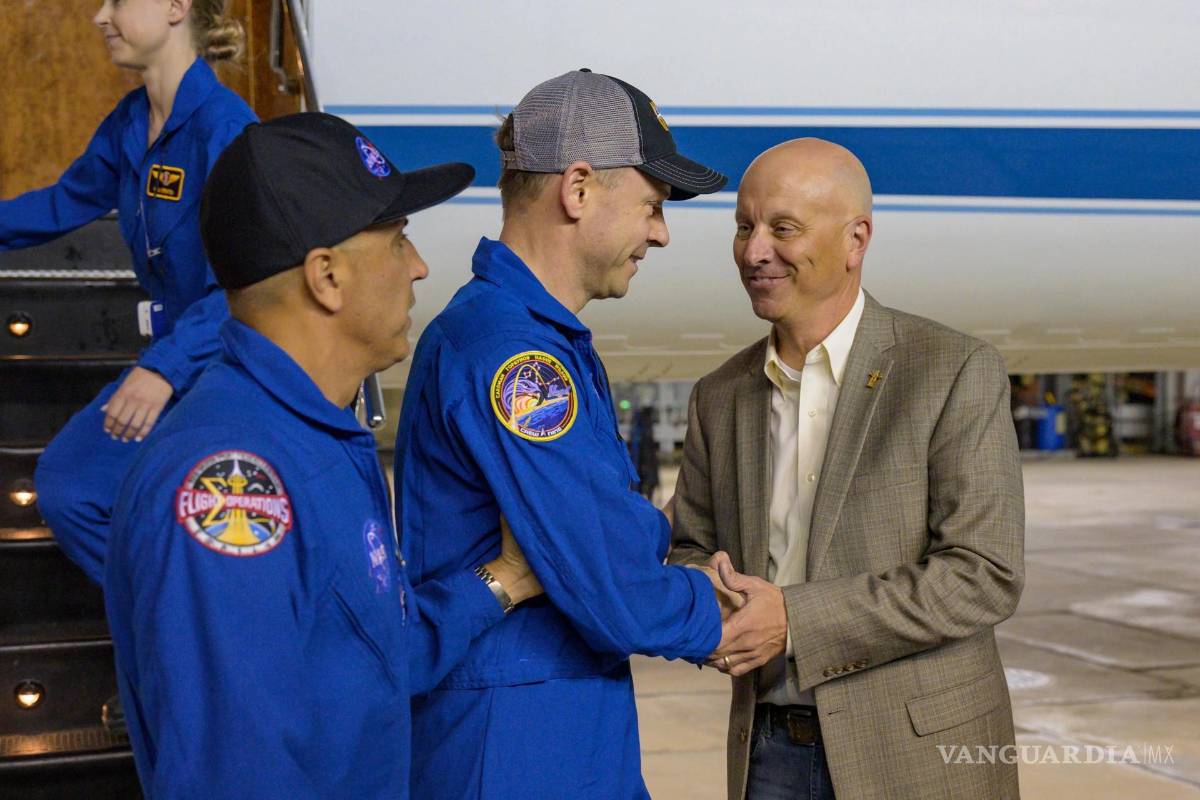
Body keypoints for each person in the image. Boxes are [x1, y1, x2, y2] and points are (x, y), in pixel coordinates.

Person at [104, 113, 543, 799]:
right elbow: (237, 776)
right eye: (398, 240)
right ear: (327, 276)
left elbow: (362, 660)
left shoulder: (312, 435)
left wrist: (501, 583)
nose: (420, 265)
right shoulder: (233, 481)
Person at [392, 69, 741, 798]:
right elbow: (610, 582)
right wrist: (727, 609)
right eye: (651, 205)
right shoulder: (513, 355)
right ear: (577, 189)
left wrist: (629, 538)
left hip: (552, 721)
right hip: (516, 745)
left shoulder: (534, 339)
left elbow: (604, 540)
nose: (661, 233)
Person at [669, 138, 1025, 800]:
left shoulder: (950, 372)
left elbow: (984, 576)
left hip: (919, 754)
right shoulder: (720, 395)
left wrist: (794, 620)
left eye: (783, 228)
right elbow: (689, 544)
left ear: (856, 240)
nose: (753, 252)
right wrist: (708, 595)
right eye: (744, 227)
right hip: (769, 750)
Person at [0, 0, 257, 583]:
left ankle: (183, 620)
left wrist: (163, 368)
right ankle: (174, 616)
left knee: (76, 484)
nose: (99, 16)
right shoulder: (131, 120)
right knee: (72, 486)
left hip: (221, 365)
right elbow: (62, 203)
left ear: (175, 7)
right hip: (181, 358)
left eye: (118, 0)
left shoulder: (227, 131)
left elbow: (245, 284)